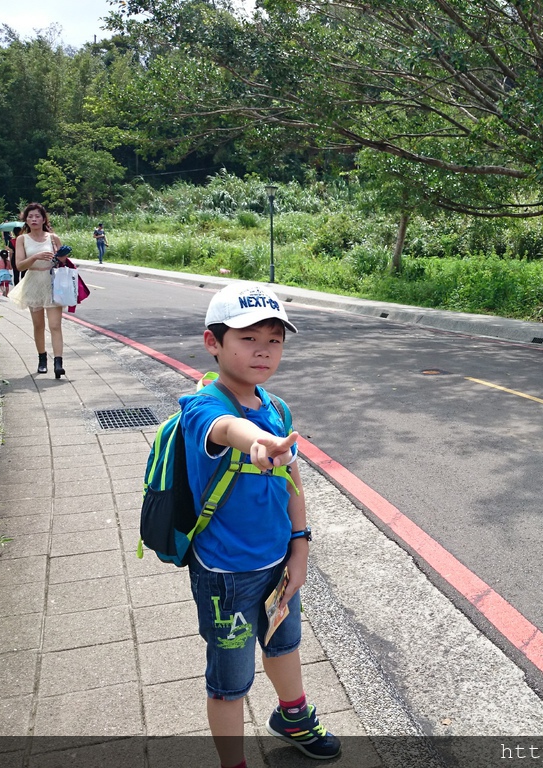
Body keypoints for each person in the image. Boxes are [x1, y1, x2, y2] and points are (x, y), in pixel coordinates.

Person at [180, 282, 340, 768]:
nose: (263, 351)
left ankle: (293, 717)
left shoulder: (276, 406)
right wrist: (257, 440)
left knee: (284, 643)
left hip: (278, 563)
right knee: (229, 683)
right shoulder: (203, 408)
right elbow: (229, 429)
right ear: (213, 342)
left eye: (274, 340)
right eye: (248, 338)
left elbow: (292, 481)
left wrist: (300, 546)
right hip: (226, 575)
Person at [9, 203, 66, 378]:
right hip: (33, 282)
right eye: (30, 216)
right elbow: (19, 265)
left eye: (37, 216)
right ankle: (42, 359)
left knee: (55, 325)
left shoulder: (53, 238)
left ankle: (58, 362)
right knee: (38, 325)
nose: (34, 219)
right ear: (26, 220)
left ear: (43, 219)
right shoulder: (22, 239)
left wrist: (62, 257)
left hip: (53, 284)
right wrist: (35, 257)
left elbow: (62, 263)